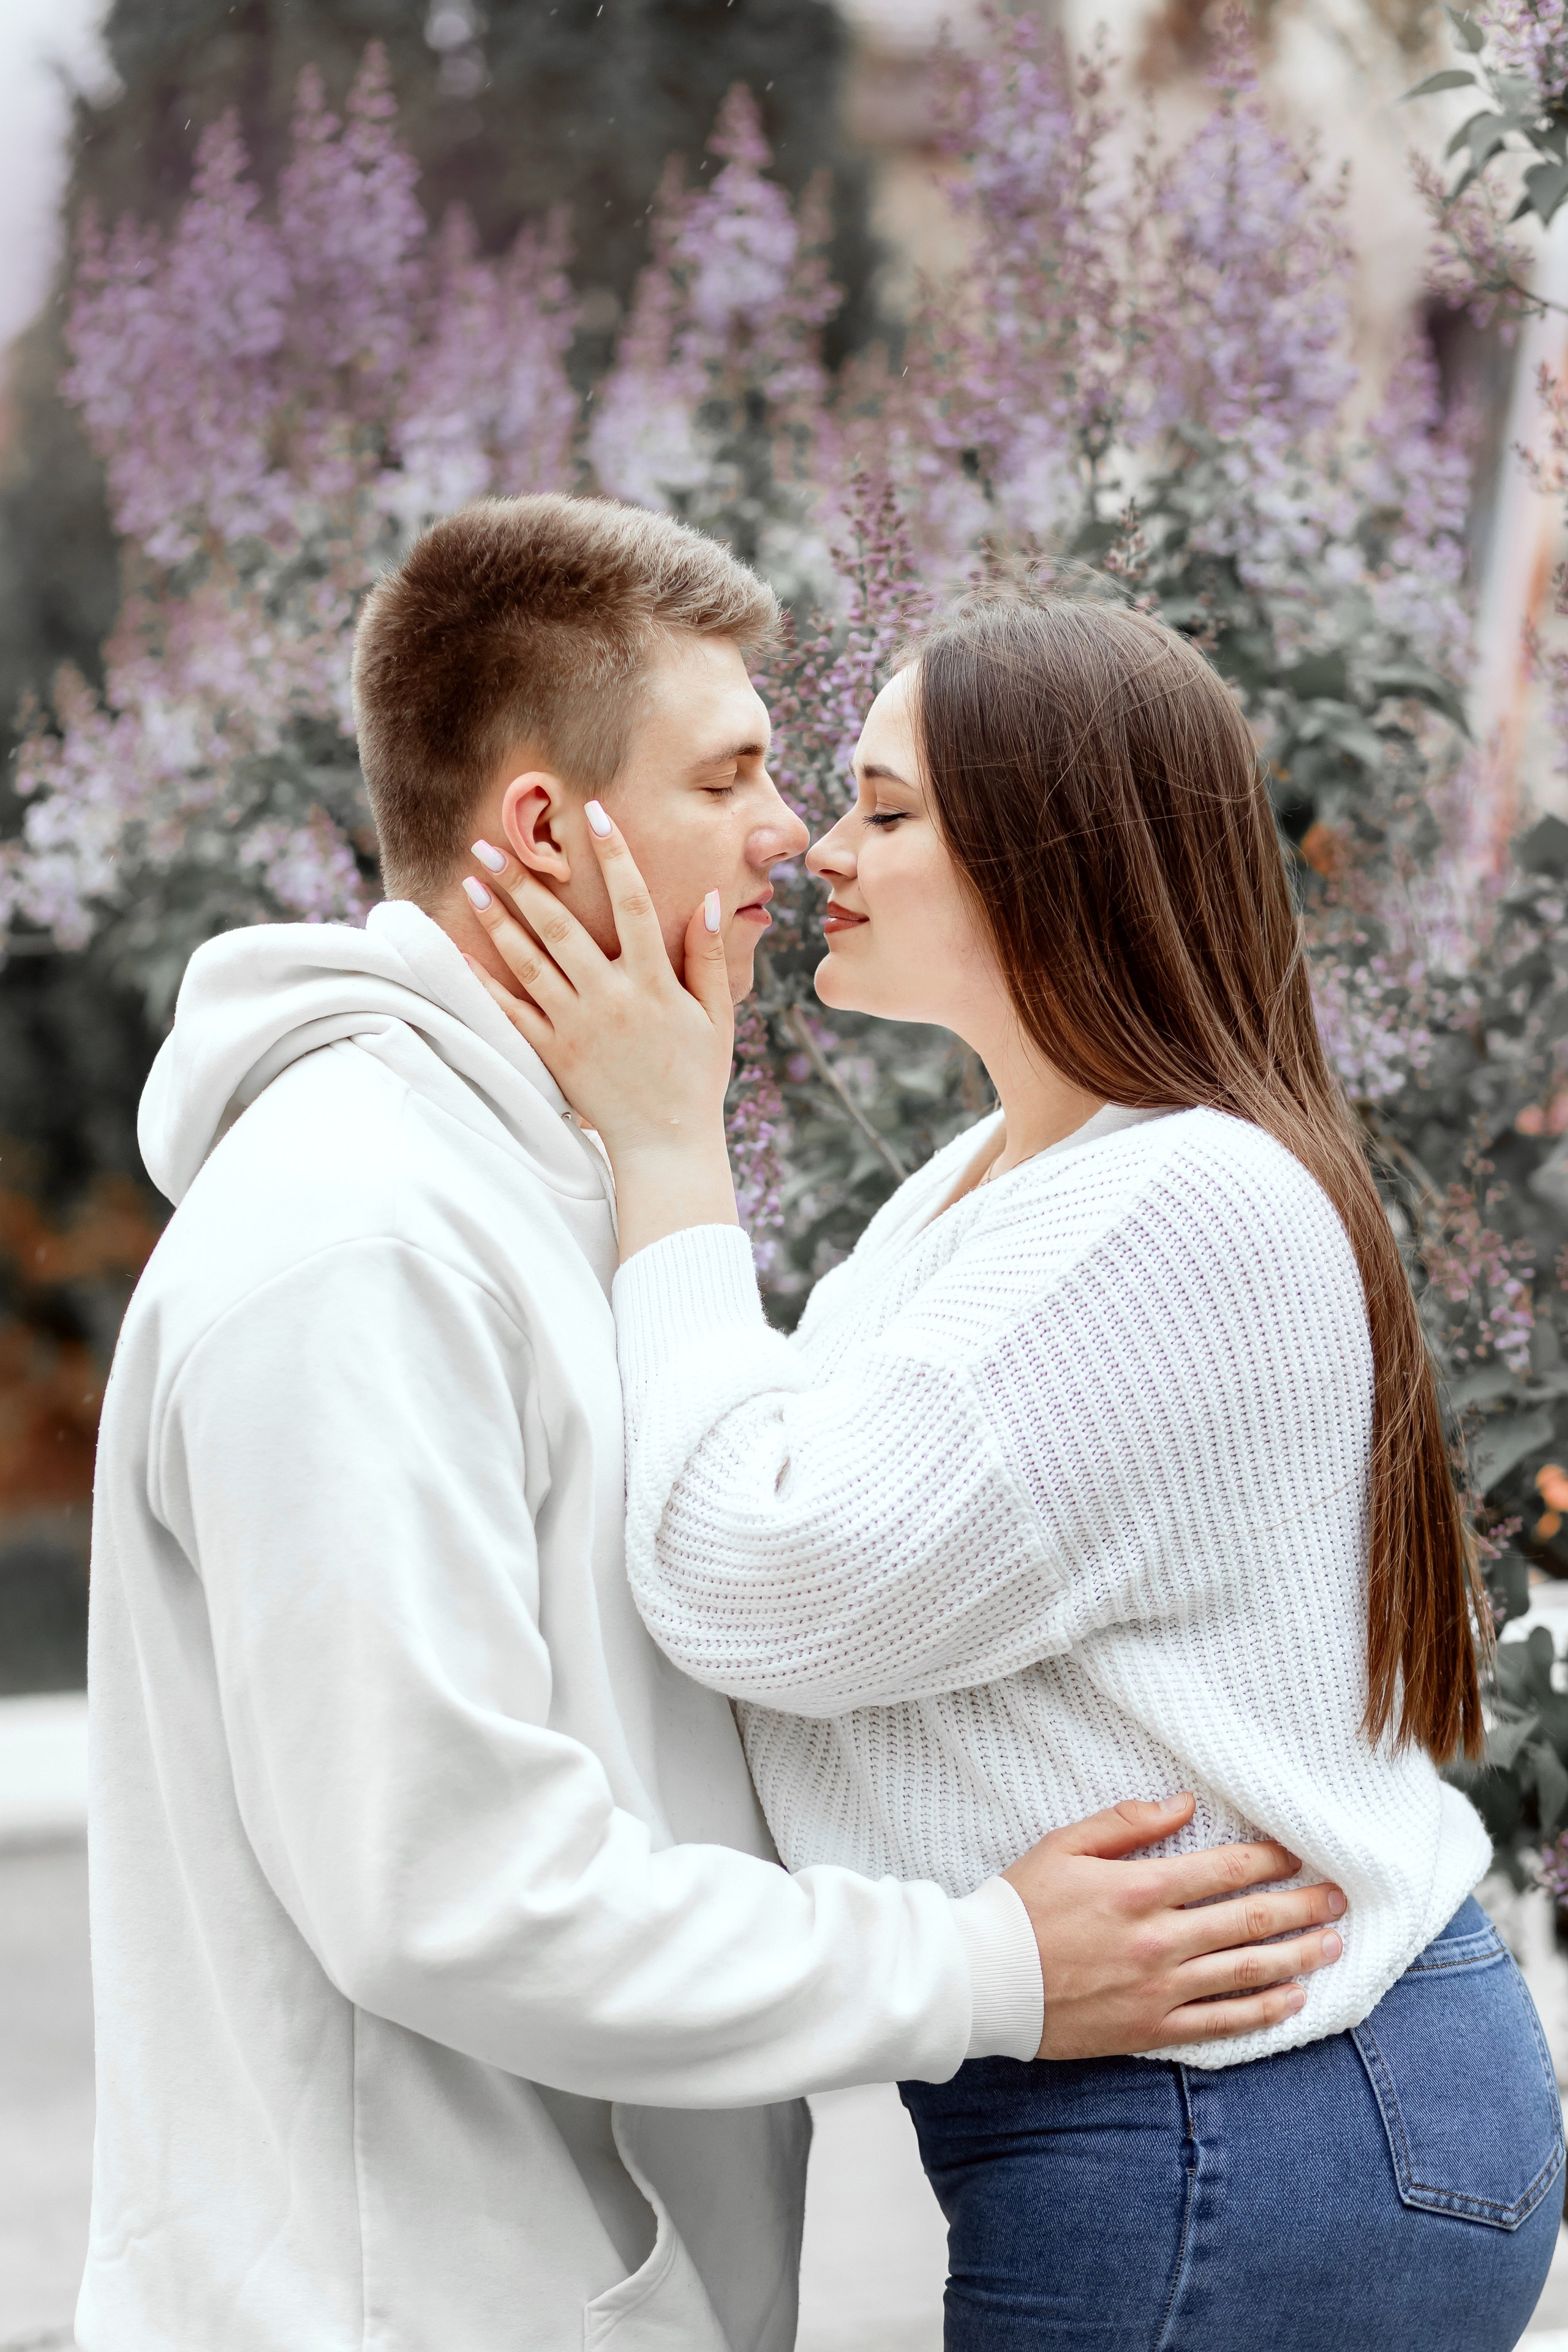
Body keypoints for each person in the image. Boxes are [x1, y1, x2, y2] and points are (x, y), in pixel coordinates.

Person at [82, 501, 1344, 2352]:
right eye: (736, 773)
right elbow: (451, 1890)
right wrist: (984, 1962)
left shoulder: (555, 1186)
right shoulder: (356, 1241)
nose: (795, 837)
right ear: (541, 830)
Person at [464, 585, 1565, 2352]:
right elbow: (746, 1482)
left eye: (887, 811)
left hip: (1249, 2119)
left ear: (1056, 854)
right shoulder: (994, 1179)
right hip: (1217, 2112)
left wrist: (672, 1144)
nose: (822, 847)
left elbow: (761, 1578)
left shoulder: (1184, 1208)